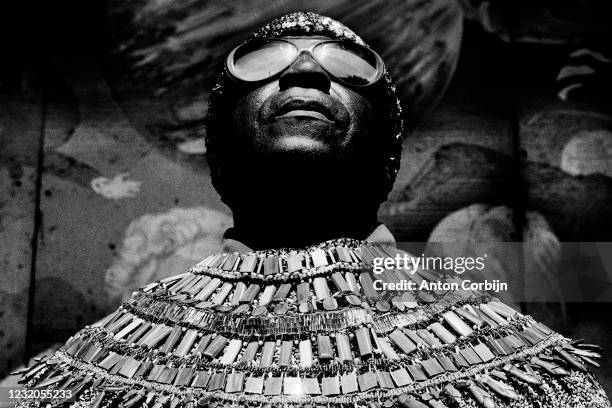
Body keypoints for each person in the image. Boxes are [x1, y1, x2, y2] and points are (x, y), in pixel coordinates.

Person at [12, 12, 610, 408]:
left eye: (347, 66)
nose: (303, 69)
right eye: (262, 64)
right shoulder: (76, 383)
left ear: (389, 153)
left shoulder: (535, 379)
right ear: (218, 151)